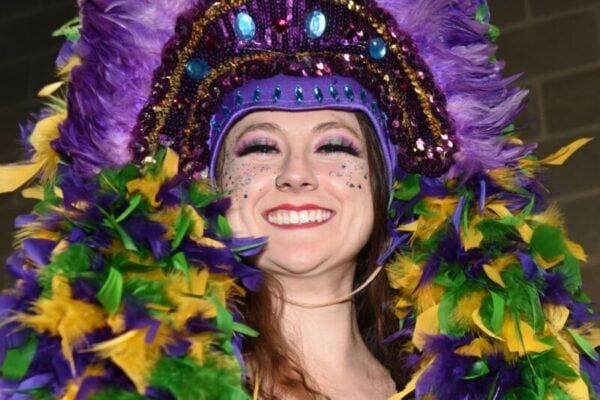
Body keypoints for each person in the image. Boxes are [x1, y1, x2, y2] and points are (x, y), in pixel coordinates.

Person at [0, 1, 598, 399]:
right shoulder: (126, 376)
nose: (296, 175)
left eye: (334, 146)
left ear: (381, 184)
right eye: (260, 148)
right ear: (210, 188)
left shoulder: (484, 381)